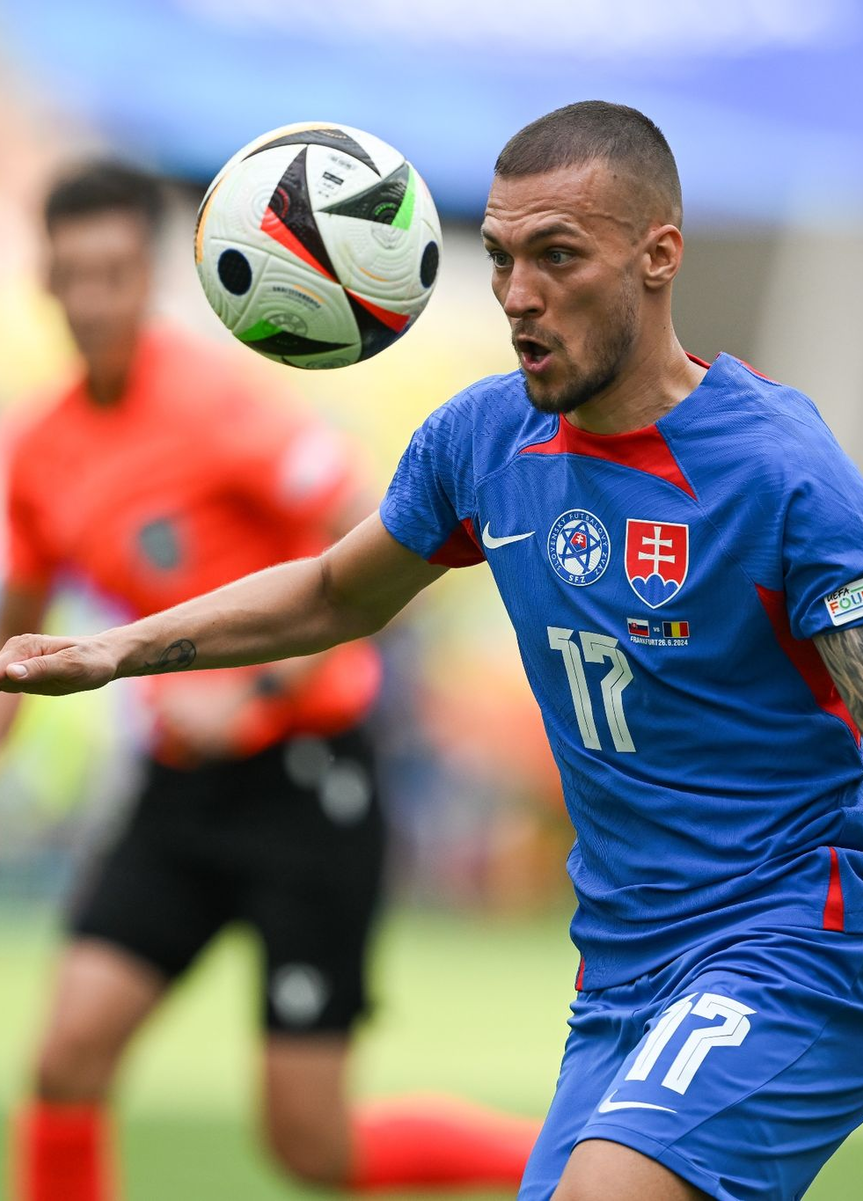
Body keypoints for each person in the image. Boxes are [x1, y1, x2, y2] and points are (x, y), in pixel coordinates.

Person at [3, 105, 863, 1201]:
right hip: (622, 978)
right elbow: (331, 591)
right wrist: (116, 651)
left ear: (659, 257)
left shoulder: (780, 469)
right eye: (502, 262)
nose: (520, 294)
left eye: (559, 258)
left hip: (798, 950)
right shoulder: (482, 438)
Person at [2, 161, 538, 1201]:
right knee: (66, 1058)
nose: (94, 300)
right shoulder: (39, 448)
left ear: (150, 275)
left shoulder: (223, 409)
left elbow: (392, 570)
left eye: (116, 273)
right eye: (74, 277)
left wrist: (251, 693)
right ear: (49, 282)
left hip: (308, 781)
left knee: (310, 1150)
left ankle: (576, 1172)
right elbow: (14, 652)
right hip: (180, 787)